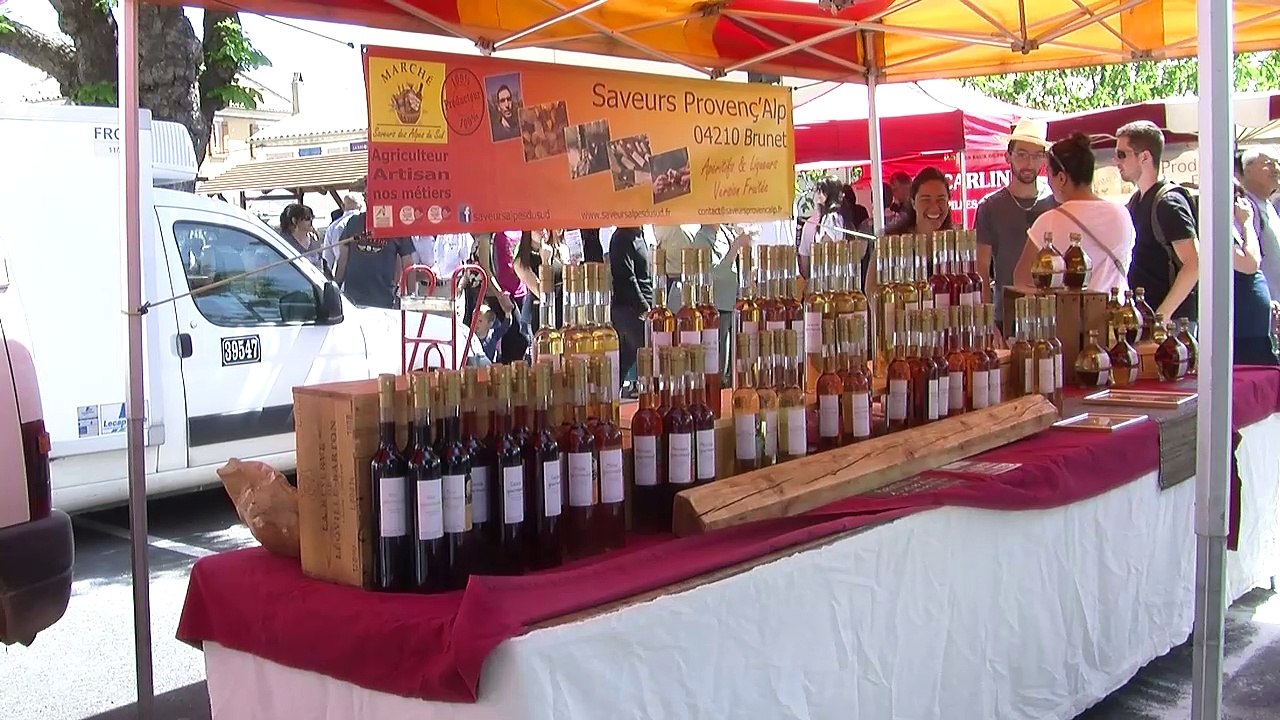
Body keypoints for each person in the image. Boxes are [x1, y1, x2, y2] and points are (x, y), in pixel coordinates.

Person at [1014, 132, 1135, 293]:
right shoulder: (1121, 214)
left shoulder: (1048, 222)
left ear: (1061, 178)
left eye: (1048, 172)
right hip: (1117, 306)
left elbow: (1021, 281)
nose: (1048, 181)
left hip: (1070, 309)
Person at [1116, 120, 1199, 324]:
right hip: (1145, 319)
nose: (1116, 161)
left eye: (1121, 154)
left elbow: (1194, 263)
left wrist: (1162, 316)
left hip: (1172, 324)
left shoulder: (1168, 202)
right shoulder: (1136, 201)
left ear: (1144, 157)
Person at [976, 118, 1058, 323]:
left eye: (1036, 155)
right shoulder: (989, 207)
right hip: (1006, 317)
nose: (1029, 163)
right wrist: (986, 322)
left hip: (1052, 316)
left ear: (1044, 159)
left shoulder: (1056, 203)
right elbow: (981, 269)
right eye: (1022, 154)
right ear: (1008, 157)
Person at [1228, 187, 1278, 365]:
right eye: (1237, 197)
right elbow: (1250, 264)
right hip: (1243, 329)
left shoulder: (1233, 230)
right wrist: (1247, 222)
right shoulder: (1219, 230)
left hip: (1254, 328)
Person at [335, 213, 416, 309]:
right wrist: (335, 287)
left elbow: (408, 265)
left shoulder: (398, 226)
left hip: (383, 300)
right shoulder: (354, 222)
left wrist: (411, 298)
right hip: (353, 300)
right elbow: (343, 259)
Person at [608, 226, 653, 385]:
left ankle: (613, 391)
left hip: (640, 307)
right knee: (649, 360)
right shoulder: (621, 237)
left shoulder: (639, 235)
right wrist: (644, 307)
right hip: (630, 310)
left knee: (624, 362)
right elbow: (626, 277)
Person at [1237, 146, 1280, 303]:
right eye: (1268, 163)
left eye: (1277, 163)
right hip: (1263, 303)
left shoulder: (1268, 205)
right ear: (1247, 170)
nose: (1276, 168)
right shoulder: (1244, 207)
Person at [798, 176, 846, 279]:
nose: (818, 195)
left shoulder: (831, 218)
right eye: (818, 191)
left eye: (823, 191)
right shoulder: (832, 217)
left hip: (828, 277)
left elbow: (827, 247)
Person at [324, 195, 362, 270]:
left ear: (343, 206)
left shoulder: (332, 227)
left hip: (341, 272)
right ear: (360, 206)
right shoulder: (365, 223)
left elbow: (328, 257)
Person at [279, 204, 321, 271]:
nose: (311, 221)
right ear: (294, 220)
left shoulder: (315, 239)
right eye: (307, 218)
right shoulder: (283, 242)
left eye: (312, 217)